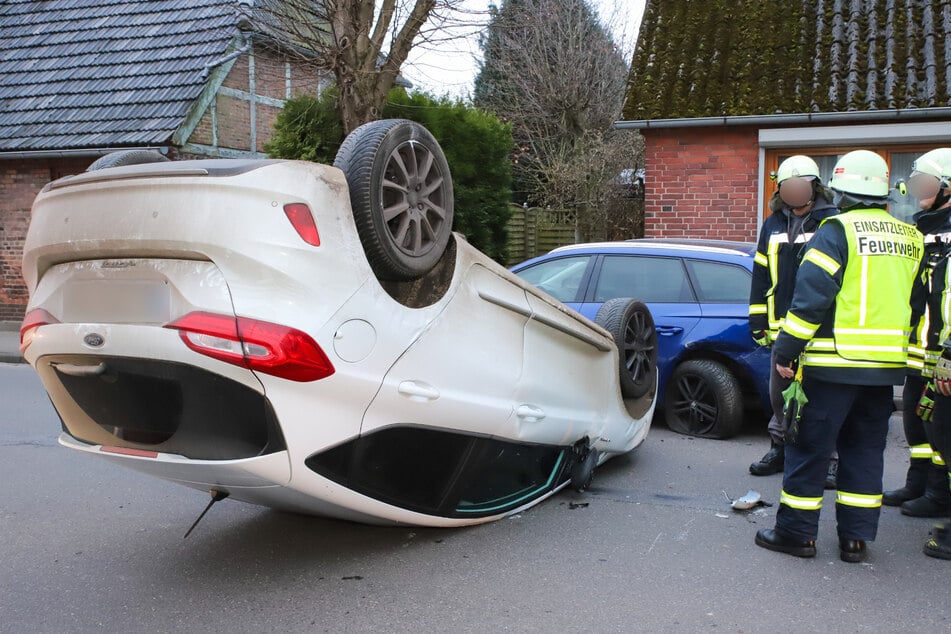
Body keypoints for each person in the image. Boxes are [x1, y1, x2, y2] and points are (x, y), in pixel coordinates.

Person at [754, 150, 923, 563]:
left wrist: (786, 350)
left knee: (808, 449)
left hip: (832, 366)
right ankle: (856, 540)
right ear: (885, 190)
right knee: (865, 452)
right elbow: (920, 303)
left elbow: (810, 301)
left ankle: (796, 534)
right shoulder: (910, 236)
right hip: (885, 371)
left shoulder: (836, 231)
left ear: (840, 189)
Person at [748, 155, 838, 487]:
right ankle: (780, 450)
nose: (793, 192)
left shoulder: (831, 223)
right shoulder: (772, 223)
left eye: (800, 187)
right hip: (781, 330)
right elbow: (760, 276)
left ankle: (829, 460)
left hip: (818, 333)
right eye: (787, 187)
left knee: (821, 402)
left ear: (814, 187)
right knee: (779, 397)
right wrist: (757, 321)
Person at [883, 148, 951, 519]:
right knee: (916, 421)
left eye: (925, 182)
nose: (916, 189)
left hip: (943, 352)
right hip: (916, 349)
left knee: (941, 427)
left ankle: (940, 493)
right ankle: (918, 482)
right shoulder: (919, 228)